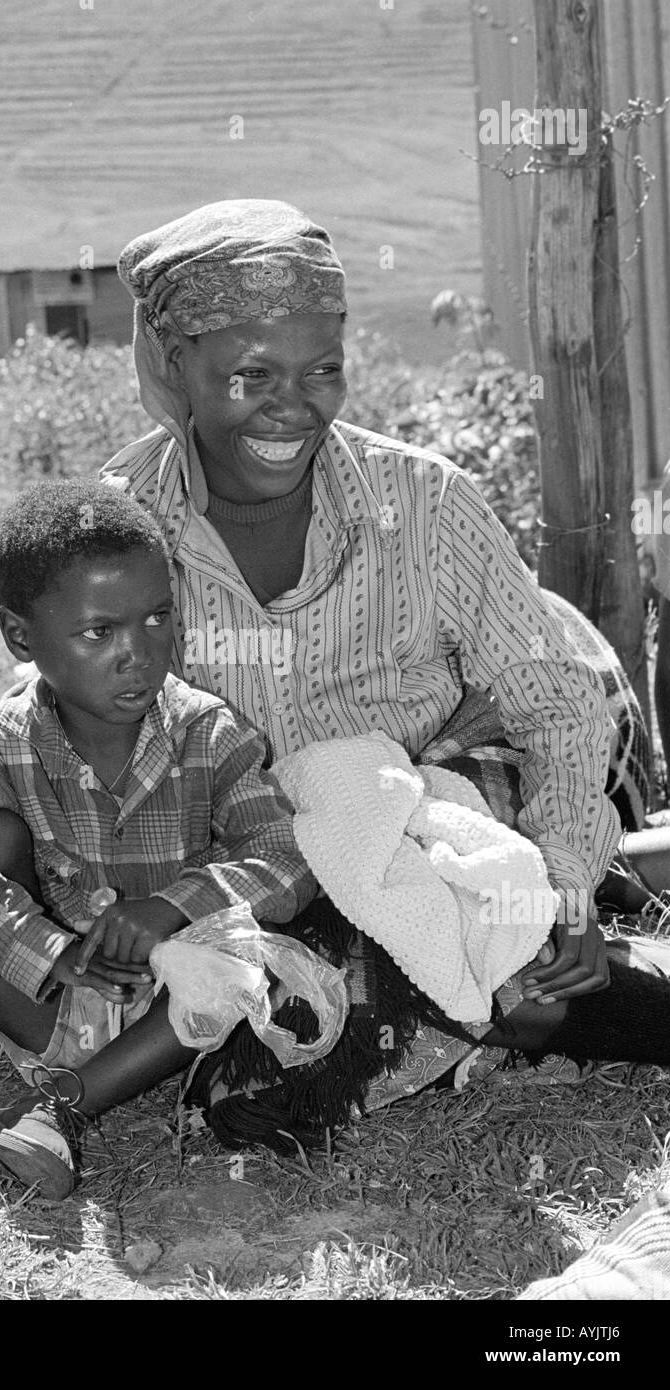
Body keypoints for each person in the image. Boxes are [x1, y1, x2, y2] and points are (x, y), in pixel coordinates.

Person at [95, 198, 670, 1143]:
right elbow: (64, 726)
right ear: (172, 368)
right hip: (274, 850)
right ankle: (601, 896)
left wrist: (556, 878)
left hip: (444, 779)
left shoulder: (421, 500)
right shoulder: (119, 532)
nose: (294, 407)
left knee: (504, 961)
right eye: (250, 376)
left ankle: (588, 906)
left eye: (324, 370)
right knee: (265, 1061)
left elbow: (558, 702)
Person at [0, 478, 318, 1198]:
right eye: (99, 632)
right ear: (21, 636)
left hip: (165, 1026)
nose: (138, 653)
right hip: (36, 1006)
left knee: (236, 956)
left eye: (157, 618)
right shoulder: (1, 743)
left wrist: (174, 903)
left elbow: (289, 858)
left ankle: (61, 1110)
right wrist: (52, 951)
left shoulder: (209, 732)